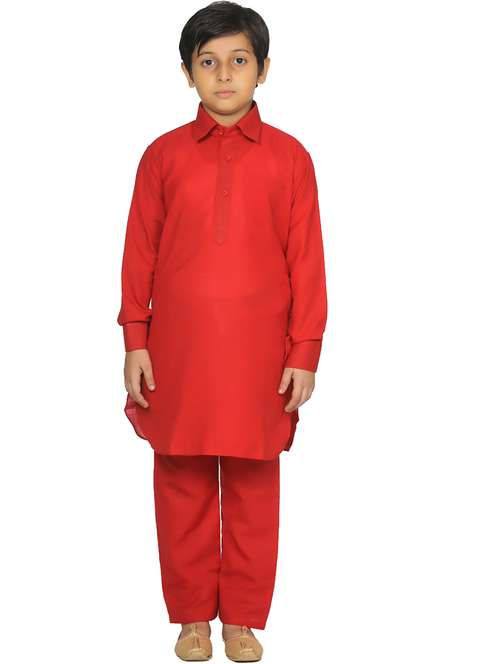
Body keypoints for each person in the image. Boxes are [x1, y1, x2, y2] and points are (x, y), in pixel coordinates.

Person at [116, 1, 328, 660]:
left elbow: (307, 261)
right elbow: (138, 254)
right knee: (180, 480)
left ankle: (241, 617)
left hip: (261, 355)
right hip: (178, 353)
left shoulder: (291, 158)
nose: (225, 75)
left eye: (239, 60)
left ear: (263, 69)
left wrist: (305, 350)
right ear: (188, 73)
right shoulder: (162, 156)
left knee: (253, 486)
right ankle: (190, 618)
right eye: (208, 62)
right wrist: (135, 339)